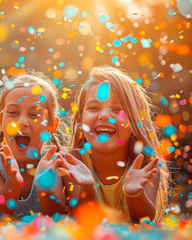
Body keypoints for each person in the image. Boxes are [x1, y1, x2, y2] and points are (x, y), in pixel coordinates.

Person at [47, 65, 170, 222]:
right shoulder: (70, 162)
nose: (104, 115)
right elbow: (84, 222)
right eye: (93, 108)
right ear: (80, 120)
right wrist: (86, 187)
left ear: (134, 121)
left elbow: (143, 222)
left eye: (117, 109)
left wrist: (134, 195)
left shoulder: (146, 167)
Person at [0, 72, 64, 219]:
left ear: (51, 126)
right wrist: (13, 182)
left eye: (34, 115)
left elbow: (57, 220)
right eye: (13, 112)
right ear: (0, 121)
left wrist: (43, 183)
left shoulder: (56, 164)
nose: (22, 121)